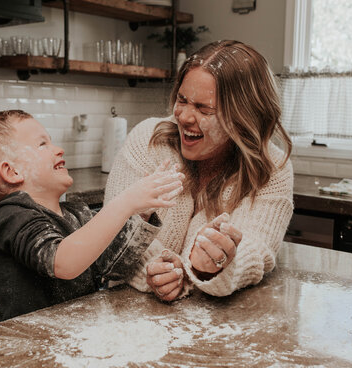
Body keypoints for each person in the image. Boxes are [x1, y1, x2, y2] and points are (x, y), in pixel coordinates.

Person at [104, 40, 293, 301]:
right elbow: (113, 227)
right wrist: (159, 270)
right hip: (123, 310)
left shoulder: (272, 168)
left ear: (243, 117)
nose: (184, 117)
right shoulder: (148, 139)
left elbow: (257, 248)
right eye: (182, 100)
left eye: (204, 109)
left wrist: (214, 267)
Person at [0, 110, 184, 321]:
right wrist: (126, 201)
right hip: (31, 346)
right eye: (43, 144)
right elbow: (62, 262)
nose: (59, 149)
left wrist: (141, 214)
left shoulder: (76, 213)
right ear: (12, 172)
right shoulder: (13, 215)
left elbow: (115, 266)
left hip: (76, 336)